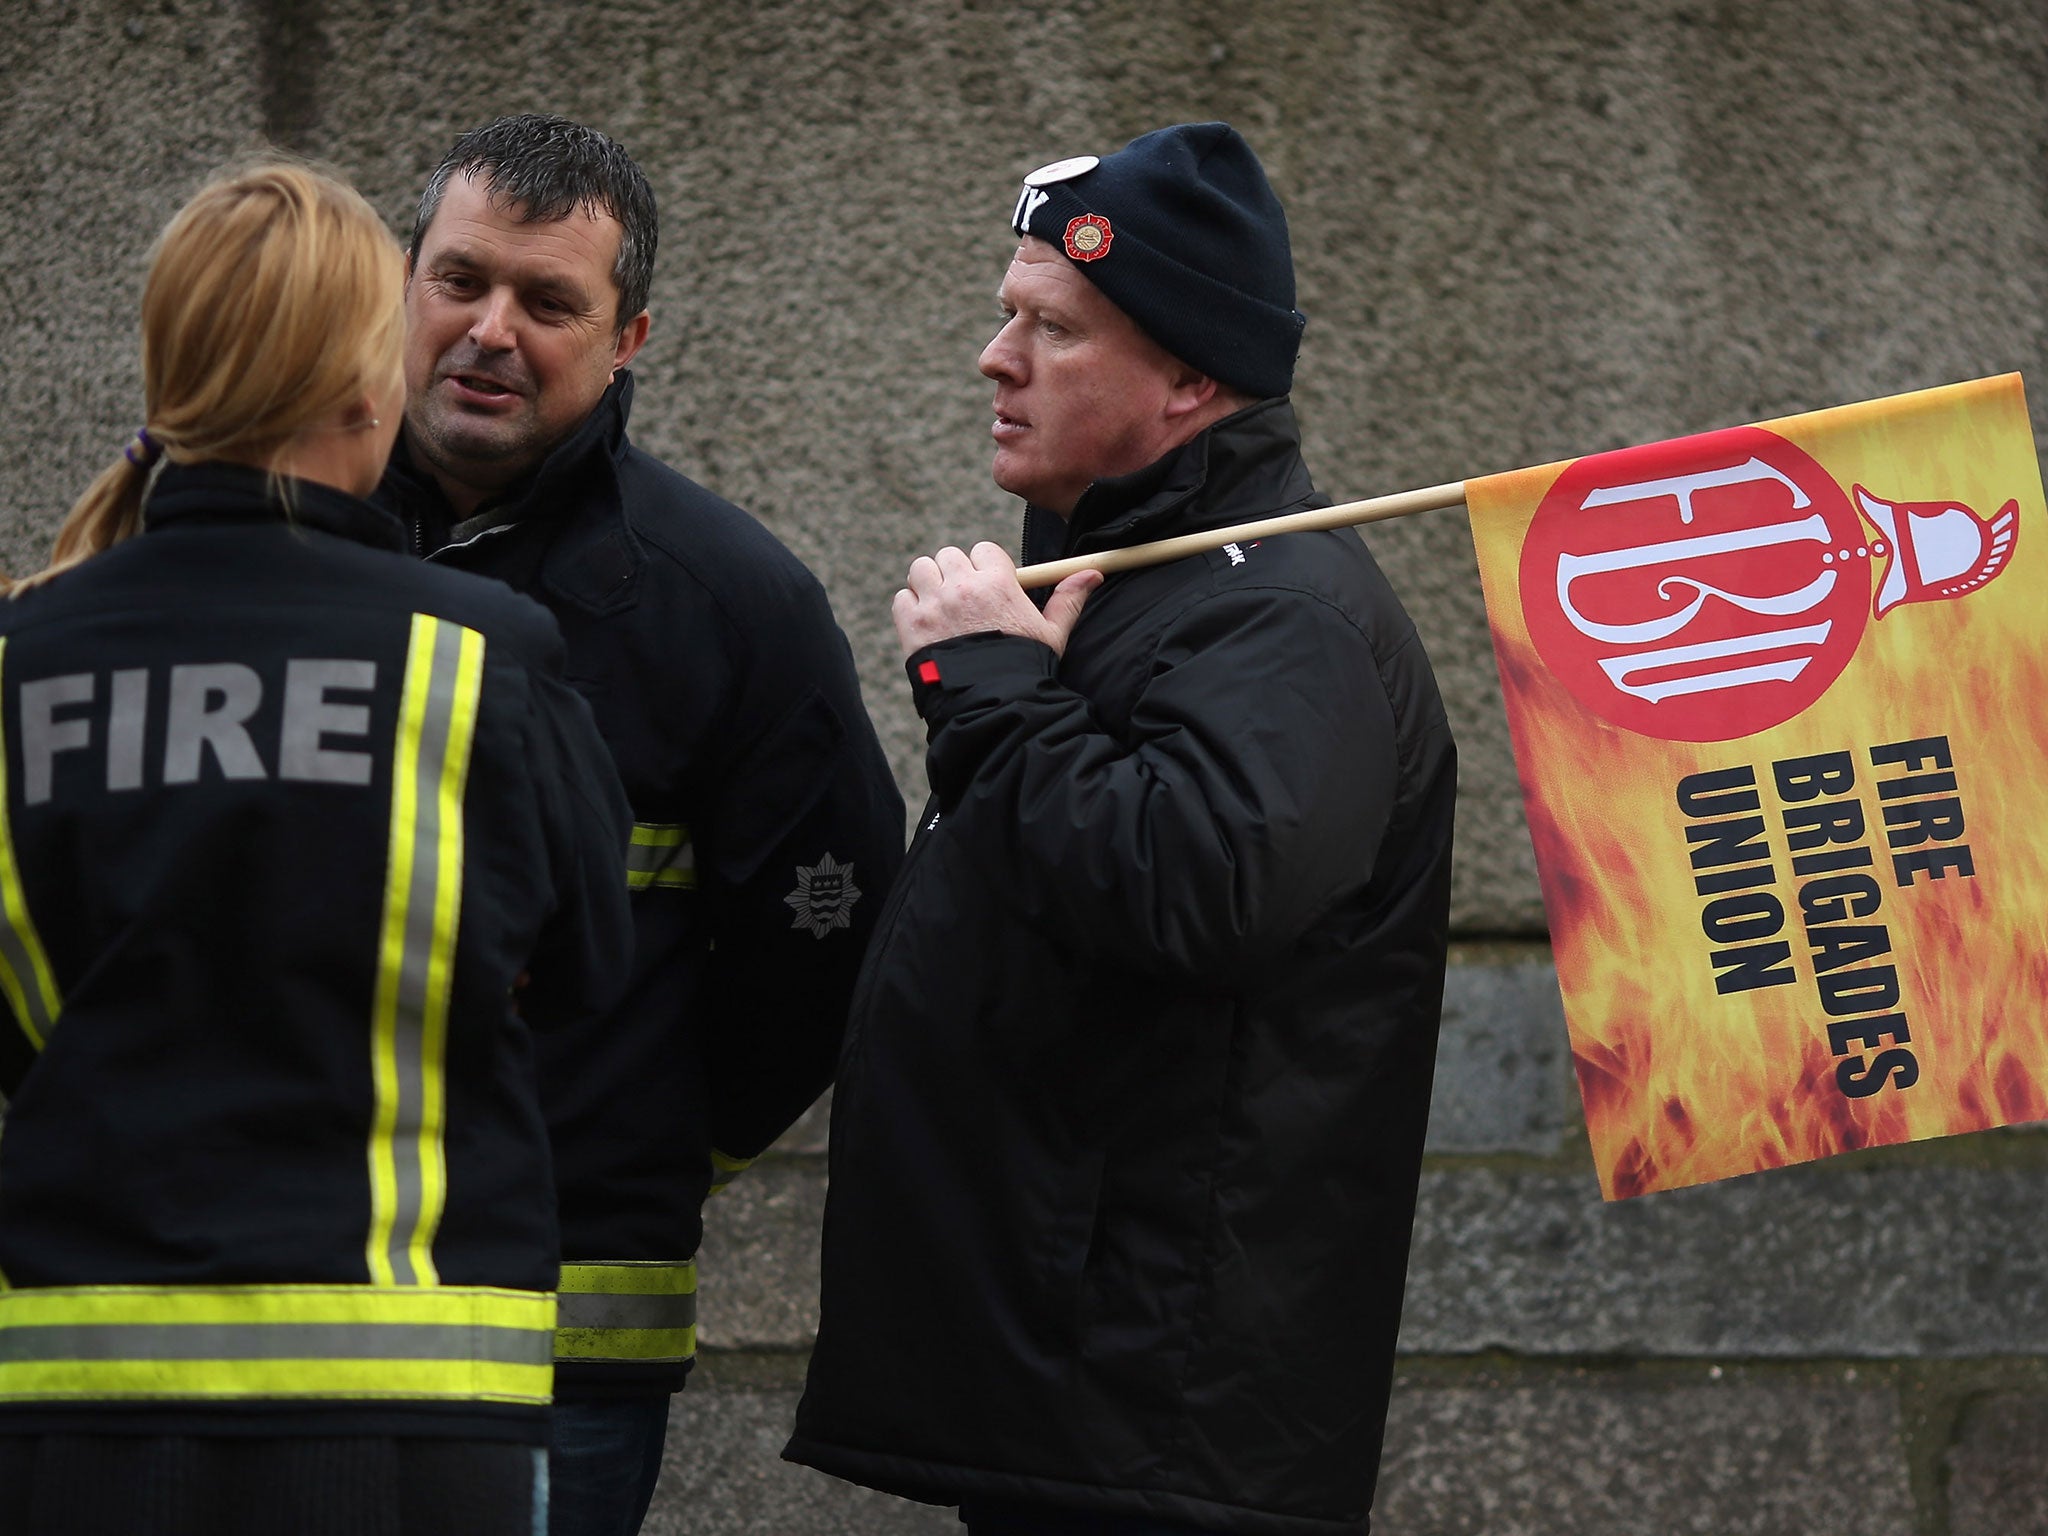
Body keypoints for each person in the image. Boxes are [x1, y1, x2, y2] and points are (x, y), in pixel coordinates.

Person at [785, 123, 1458, 1535]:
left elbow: (1194, 886)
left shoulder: (1281, 616)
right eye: (1004, 313)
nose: (996, 357)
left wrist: (984, 698)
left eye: (1052, 327)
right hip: (1084, 1390)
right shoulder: (1152, 585)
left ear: (1193, 376)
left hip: (1157, 1420)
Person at [0, 162, 633, 1536]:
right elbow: (593, 965)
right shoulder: (481, 659)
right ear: (368, 386)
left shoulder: (19, 661)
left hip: (73, 1406)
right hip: (408, 1410)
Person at [376, 114, 906, 1536]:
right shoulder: (265, 546)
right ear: (396, 281)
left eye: (550, 302)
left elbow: (828, 932)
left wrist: (666, 1140)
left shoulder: (730, 604)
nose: (491, 331)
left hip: (562, 1338)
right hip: (272, 1311)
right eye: (461, 280)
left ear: (630, 339)